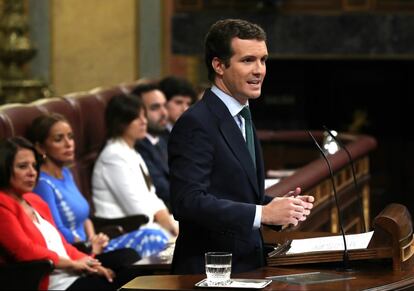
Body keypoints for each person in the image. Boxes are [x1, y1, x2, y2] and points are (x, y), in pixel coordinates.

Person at [168, 18, 314, 275]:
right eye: (248, 60)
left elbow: (234, 193)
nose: (259, 70)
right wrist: (263, 214)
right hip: (209, 273)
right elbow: (187, 202)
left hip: (246, 266)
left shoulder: (241, 114)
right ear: (218, 65)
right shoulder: (196, 122)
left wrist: (280, 208)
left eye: (263, 60)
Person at [0, 136, 135, 290]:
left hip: (72, 270)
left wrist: (88, 262)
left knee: (129, 261)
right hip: (50, 280)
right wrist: (74, 264)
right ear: (4, 168)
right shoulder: (2, 205)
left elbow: (62, 245)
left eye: (34, 165)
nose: (32, 172)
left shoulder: (35, 201)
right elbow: (25, 251)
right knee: (105, 284)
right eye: (23, 166)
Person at [28, 113, 168, 258]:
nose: (68, 144)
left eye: (70, 137)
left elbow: (86, 217)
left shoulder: (66, 173)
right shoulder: (43, 184)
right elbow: (56, 230)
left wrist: (94, 238)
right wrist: (88, 246)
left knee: (155, 236)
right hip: (76, 253)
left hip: (92, 245)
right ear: (40, 148)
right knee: (150, 238)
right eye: (58, 139)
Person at [92, 94, 178, 241]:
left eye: (144, 116)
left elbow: (151, 194)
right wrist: (167, 224)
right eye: (136, 118)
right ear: (120, 123)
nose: (144, 122)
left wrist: (168, 221)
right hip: (123, 231)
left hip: (145, 224)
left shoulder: (130, 151)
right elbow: (138, 209)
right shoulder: (113, 156)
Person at [131, 83, 170, 208]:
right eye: (155, 108)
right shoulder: (138, 146)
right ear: (139, 113)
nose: (164, 113)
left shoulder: (164, 135)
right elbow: (163, 190)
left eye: (165, 105)